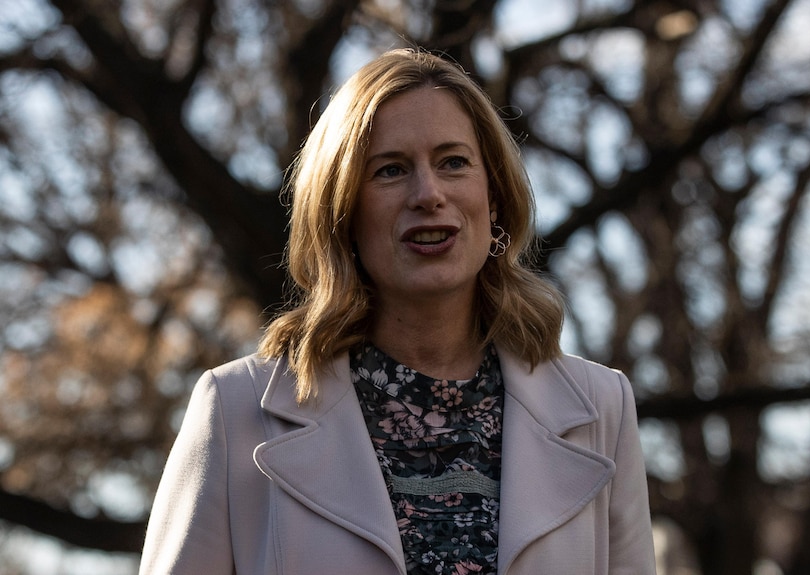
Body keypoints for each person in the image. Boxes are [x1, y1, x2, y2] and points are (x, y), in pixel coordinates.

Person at [139, 48, 656, 575]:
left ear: (494, 197)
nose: (428, 194)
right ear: (342, 214)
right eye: (390, 170)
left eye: (453, 162)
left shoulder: (602, 408)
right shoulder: (235, 411)